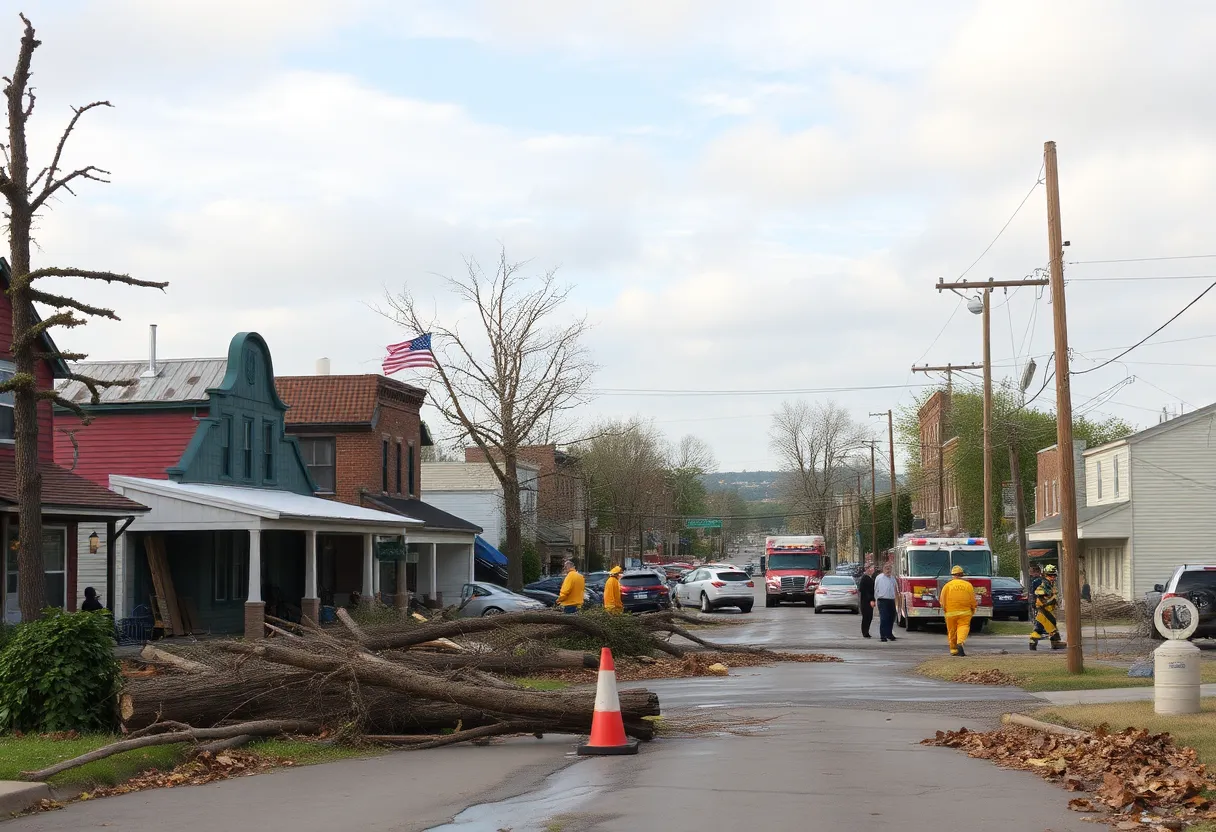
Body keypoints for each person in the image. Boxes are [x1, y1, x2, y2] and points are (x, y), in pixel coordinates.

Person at [939, 565, 976, 657]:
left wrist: (945, 609)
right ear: (962, 575)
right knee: (963, 627)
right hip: (965, 612)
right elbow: (972, 599)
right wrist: (973, 608)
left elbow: (942, 600)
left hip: (950, 613)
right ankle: (960, 643)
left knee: (952, 631)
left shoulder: (947, 586)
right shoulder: (968, 585)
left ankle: (953, 650)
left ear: (953, 575)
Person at [1029, 564, 1064, 650]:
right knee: (1051, 626)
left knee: (1039, 627)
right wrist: (1048, 598)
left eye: (1054, 575)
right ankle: (1055, 642)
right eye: (1050, 575)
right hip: (1044, 609)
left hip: (1047, 608)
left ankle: (1033, 643)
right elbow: (1038, 592)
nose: (1052, 577)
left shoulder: (1050, 583)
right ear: (1045, 574)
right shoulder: (1044, 583)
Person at [874, 561, 898, 642]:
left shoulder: (892, 578)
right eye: (887, 569)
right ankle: (883, 636)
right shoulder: (879, 578)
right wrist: (875, 599)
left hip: (891, 600)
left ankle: (889, 634)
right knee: (884, 618)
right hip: (882, 600)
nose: (888, 571)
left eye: (889, 569)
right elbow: (876, 589)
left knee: (891, 617)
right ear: (883, 569)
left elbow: (895, 589)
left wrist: (896, 599)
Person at [857, 564, 876, 638]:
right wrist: (871, 599)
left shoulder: (870, 578)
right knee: (866, 617)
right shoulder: (865, 578)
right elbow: (865, 591)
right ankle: (865, 632)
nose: (872, 570)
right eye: (871, 568)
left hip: (868, 600)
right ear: (867, 569)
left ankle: (866, 631)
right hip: (866, 601)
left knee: (869, 617)